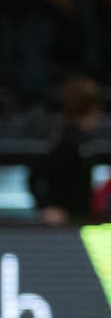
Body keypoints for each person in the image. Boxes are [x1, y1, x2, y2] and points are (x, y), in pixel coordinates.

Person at [31, 76, 104, 224]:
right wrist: (47, 207)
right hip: (66, 224)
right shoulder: (63, 142)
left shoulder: (85, 141)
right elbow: (34, 176)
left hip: (83, 219)